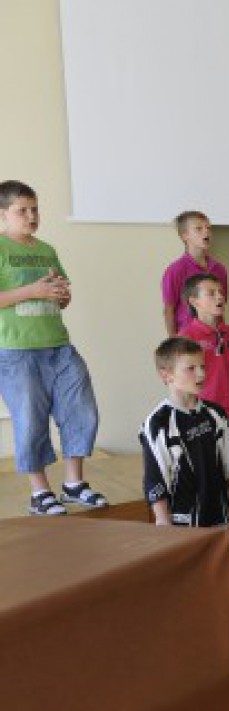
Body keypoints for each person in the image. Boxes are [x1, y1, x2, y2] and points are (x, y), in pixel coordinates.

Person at [0, 180, 106, 515]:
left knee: (81, 409)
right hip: (15, 350)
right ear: (2, 214)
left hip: (59, 345)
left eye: (35, 209)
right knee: (30, 418)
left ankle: (74, 484)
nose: (32, 216)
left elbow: (61, 296)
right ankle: (40, 493)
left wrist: (62, 296)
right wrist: (33, 291)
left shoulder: (47, 249)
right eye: (22, 210)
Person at [140, 337, 229, 559]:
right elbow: (155, 481)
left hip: (220, 518)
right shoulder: (157, 424)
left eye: (202, 366)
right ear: (166, 375)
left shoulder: (215, 414)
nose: (201, 374)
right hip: (183, 526)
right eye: (190, 369)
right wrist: (163, 522)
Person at [179, 273, 229, 493]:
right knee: (210, 477)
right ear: (194, 301)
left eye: (221, 292)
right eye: (211, 293)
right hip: (203, 416)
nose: (220, 297)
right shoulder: (186, 337)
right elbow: (182, 385)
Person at [162, 210, 229, 337]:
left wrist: (223, 334)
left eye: (208, 228)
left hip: (215, 334)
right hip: (188, 336)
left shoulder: (220, 269)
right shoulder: (175, 270)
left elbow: (220, 305)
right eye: (199, 229)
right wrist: (174, 341)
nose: (206, 232)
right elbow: (169, 310)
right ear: (185, 236)